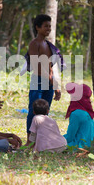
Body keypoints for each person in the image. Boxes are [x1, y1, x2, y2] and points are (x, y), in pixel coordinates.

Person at [22, 14, 65, 144]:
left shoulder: (48, 45)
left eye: (49, 26)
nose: (48, 29)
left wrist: (55, 84)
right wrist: (51, 80)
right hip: (38, 81)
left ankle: (41, 139)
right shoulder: (34, 44)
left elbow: (50, 66)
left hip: (49, 82)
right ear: (37, 27)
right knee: (33, 110)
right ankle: (30, 140)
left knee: (45, 112)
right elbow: (36, 66)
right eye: (45, 26)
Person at [63, 82, 94, 149]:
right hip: (90, 144)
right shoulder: (88, 111)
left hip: (79, 145)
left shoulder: (76, 114)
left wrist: (58, 139)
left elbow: (70, 137)